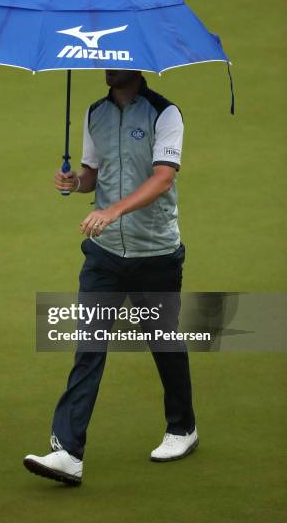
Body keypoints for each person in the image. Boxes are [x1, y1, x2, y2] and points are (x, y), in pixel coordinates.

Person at [23, 70, 197, 486]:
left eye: (115, 61)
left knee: (163, 341)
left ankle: (182, 428)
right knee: (89, 345)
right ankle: (67, 451)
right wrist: (75, 182)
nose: (106, 68)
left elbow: (163, 177)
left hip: (155, 252)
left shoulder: (164, 113)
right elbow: (92, 175)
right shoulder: (95, 113)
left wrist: (113, 210)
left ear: (135, 65)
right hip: (103, 256)